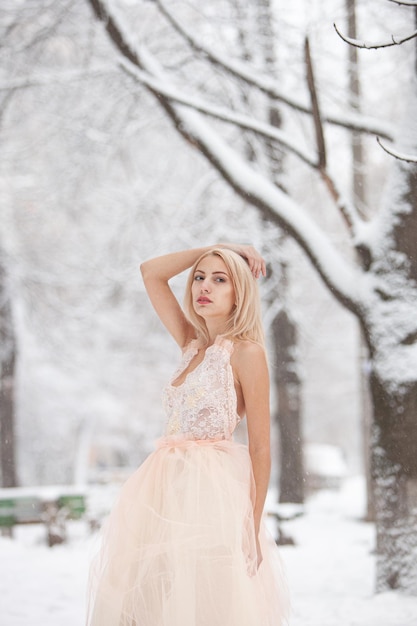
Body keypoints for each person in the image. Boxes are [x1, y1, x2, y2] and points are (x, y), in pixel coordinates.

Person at [86, 243, 290, 626]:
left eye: (219, 279)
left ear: (239, 292)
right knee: (151, 601)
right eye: (199, 278)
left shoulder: (247, 353)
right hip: (162, 490)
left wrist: (252, 526)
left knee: (203, 602)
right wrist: (219, 247)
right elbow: (151, 272)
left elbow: (261, 447)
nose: (204, 287)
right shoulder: (190, 344)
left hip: (210, 494)